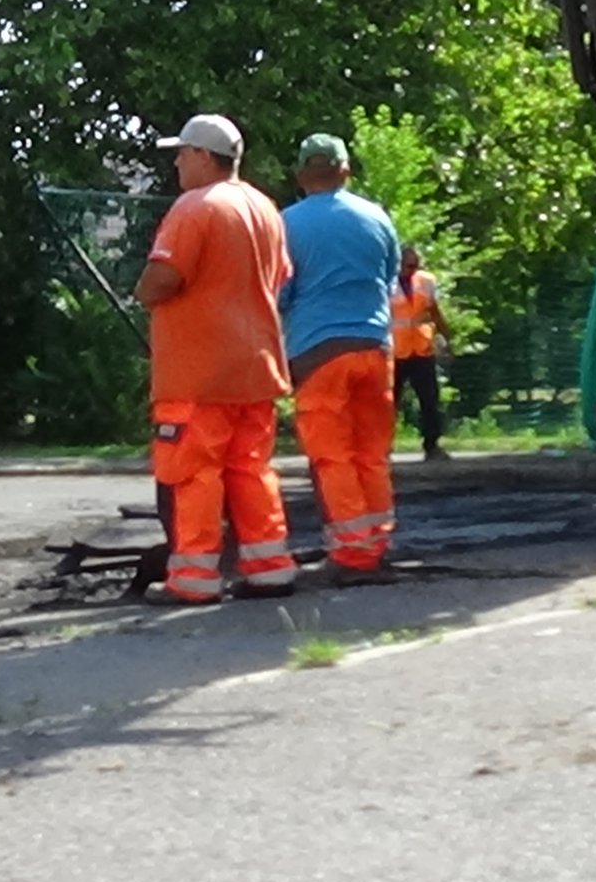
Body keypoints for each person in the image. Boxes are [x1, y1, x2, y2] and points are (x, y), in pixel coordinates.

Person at [135, 114, 298, 605]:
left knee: (194, 473)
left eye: (182, 153)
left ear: (204, 156)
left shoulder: (194, 208)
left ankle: (195, 578)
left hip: (199, 372)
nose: (178, 163)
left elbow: (163, 279)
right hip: (257, 366)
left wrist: (140, 292)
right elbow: (280, 277)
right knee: (251, 470)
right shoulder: (264, 208)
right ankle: (270, 568)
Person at [279, 134, 402, 584]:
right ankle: (376, 544)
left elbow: (281, 292)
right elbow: (389, 281)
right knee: (372, 454)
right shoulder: (377, 218)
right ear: (345, 171)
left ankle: (352, 555)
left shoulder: (287, 224)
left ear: (300, 175)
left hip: (317, 354)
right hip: (375, 347)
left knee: (333, 457)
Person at [391, 245, 453, 461]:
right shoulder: (384, 283)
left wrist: (447, 337)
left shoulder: (426, 281)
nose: (412, 270)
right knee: (389, 402)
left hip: (421, 348)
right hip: (394, 351)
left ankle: (432, 444)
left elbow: (434, 311)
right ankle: (381, 447)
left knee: (430, 399)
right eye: (408, 265)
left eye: (416, 265)